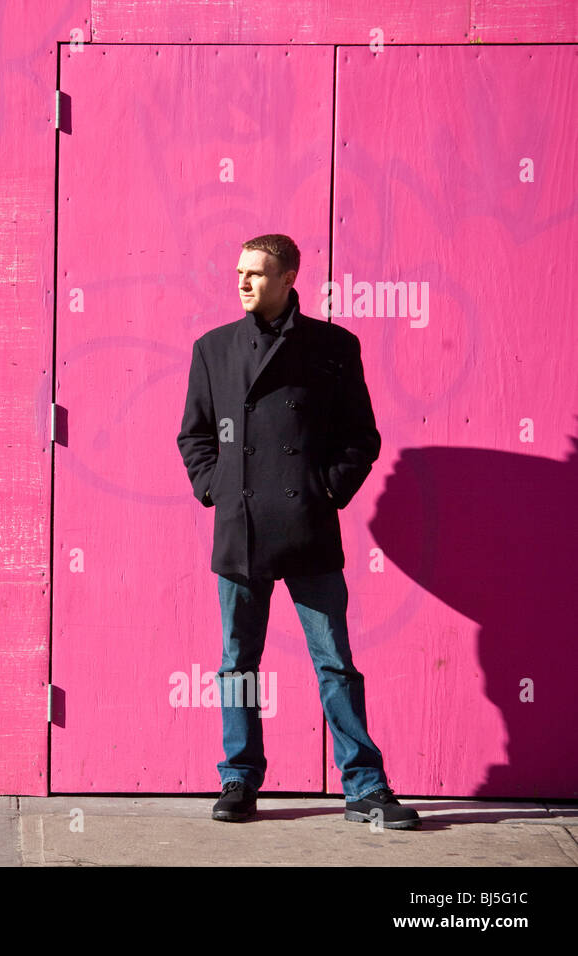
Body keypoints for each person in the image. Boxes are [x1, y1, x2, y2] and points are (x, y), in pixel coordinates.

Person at [176, 233, 419, 829]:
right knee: (237, 664)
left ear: (289, 280)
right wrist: (216, 488)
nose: (242, 281)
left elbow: (361, 437)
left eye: (257, 273)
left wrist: (326, 490)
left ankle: (364, 787)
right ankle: (238, 779)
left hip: (307, 528)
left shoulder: (333, 347)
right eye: (239, 271)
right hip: (242, 530)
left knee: (334, 660)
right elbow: (195, 435)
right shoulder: (213, 349)